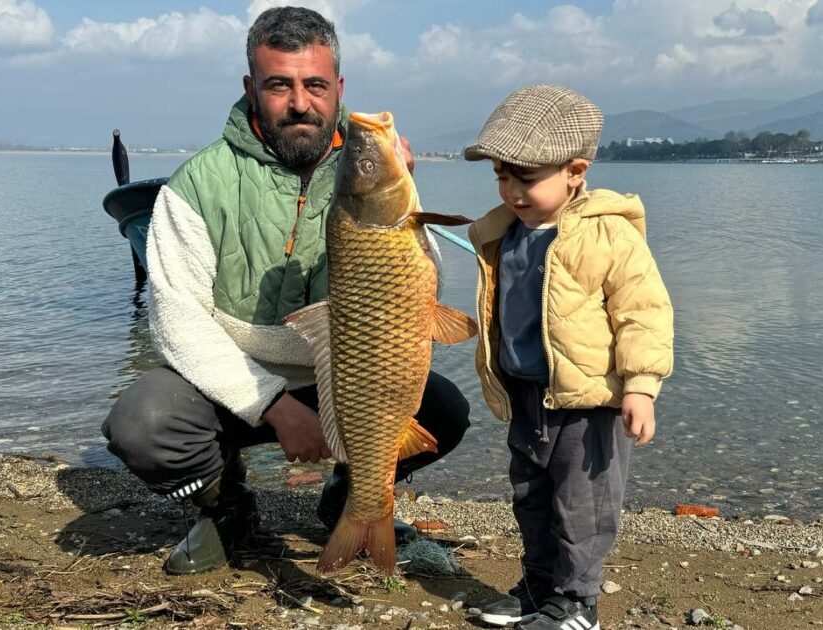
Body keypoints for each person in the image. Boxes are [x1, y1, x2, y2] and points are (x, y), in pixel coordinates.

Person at [101, 6, 470, 575]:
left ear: (338, 86)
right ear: (252, 87)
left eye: (316, 85)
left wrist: (409, 196)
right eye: (280, 85)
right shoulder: (197, 185)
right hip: (233, 384)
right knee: (143, 423)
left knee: (444, 409)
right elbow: (178, 323)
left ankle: (354, 495)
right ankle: (227, 510)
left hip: (347, 380)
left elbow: (413, 301)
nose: (301, 102)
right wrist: (273, 406)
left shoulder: (372, 171)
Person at [464, 85, 673, 630]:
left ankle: (578, 603)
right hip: (527, 392)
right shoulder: (504, 233)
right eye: (502, 176)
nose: (512, 190)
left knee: (582, 506)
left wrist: (641, 386)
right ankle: (538, 588)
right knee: (530, 496)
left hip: (588, 403)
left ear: (575, 171)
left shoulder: (610, 235)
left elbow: (643, 312)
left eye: (526, 178)